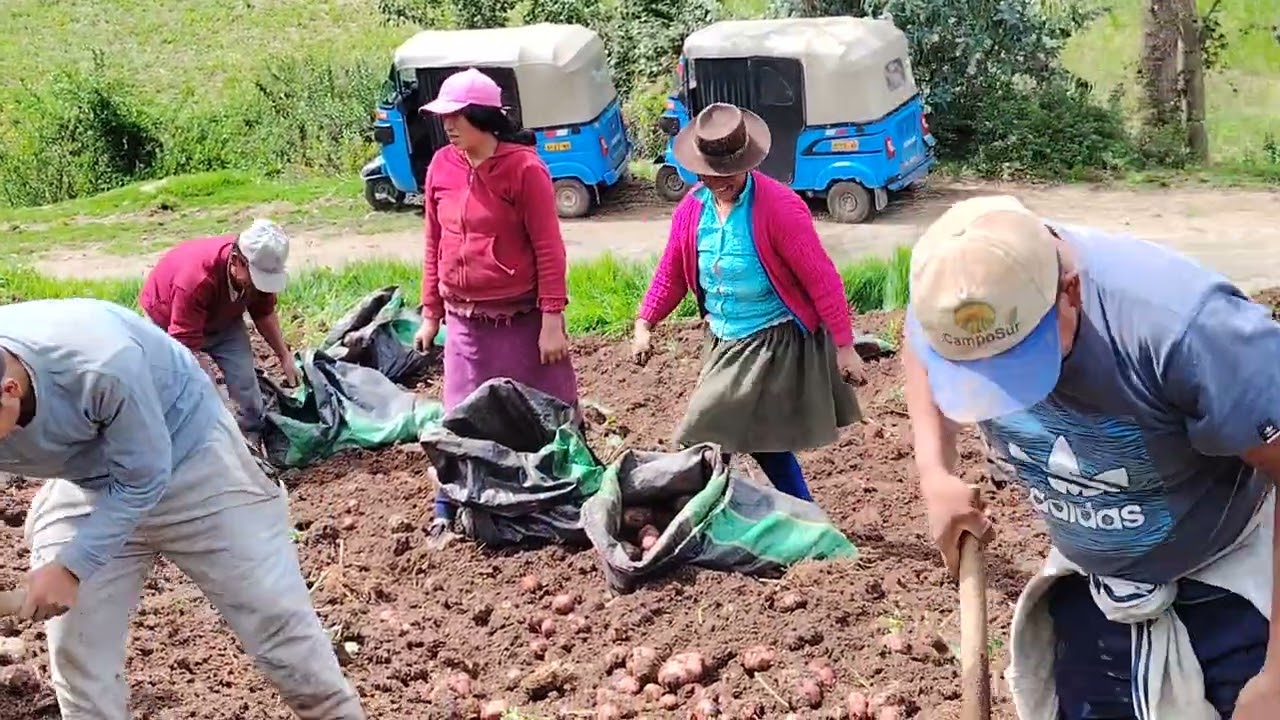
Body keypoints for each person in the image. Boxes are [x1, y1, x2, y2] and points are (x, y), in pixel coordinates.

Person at [902, 195, 1279, 719]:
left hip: (1221, 579)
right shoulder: (950, 297)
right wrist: (934, 473)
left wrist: (1278, 677)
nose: (1003, 392)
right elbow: (919, 350)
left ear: (1070, 292)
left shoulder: (1186, 332)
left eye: (1016, 360)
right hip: (1091, 585)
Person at [0, 298, 364, 719]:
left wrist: (71, 566)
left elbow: (142, 478)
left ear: (10, 390)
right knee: (77, 655)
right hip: (84, 481)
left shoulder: (98, 361)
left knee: (280, 630)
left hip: (190, 461)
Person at [630, 103, 865, 503]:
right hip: (722, 337)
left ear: (747, 161)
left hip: (769, 339)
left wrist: (845, 347)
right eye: (710, 173)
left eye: (727, 173)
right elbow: (670, 272)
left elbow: (821, 278)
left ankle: (692, 514)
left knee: (704, 428)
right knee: (761, 439)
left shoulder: (779, 208)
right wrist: (645, 323)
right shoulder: (692, 209)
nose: (718, 182)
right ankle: (804, 511)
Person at [412, 68, 576, 534]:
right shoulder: (442, 166)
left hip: (522, 320)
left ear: (484, 117)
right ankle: (446, 509)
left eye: (459, 116)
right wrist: (430, 313)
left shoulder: (525, 169)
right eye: (445, 116)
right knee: (459, 420)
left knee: (547, 412)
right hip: (465, 324)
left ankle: (562, 498)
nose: (449, 125)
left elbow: (549, 248)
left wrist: (551, 319)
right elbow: (433, 241)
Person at [139, 218, 299, 440]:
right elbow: (187, 348)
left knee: (247, 387)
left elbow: (263, 313)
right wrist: (215, 405)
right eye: (255, 279)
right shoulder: (195, 280)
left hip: (223, 320)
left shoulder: (256, 269)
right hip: (168, 321)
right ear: (236, 261)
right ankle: (205, 443)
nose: (258, 285)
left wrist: (284, 356)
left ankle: (252, 438)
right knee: (189, 396)